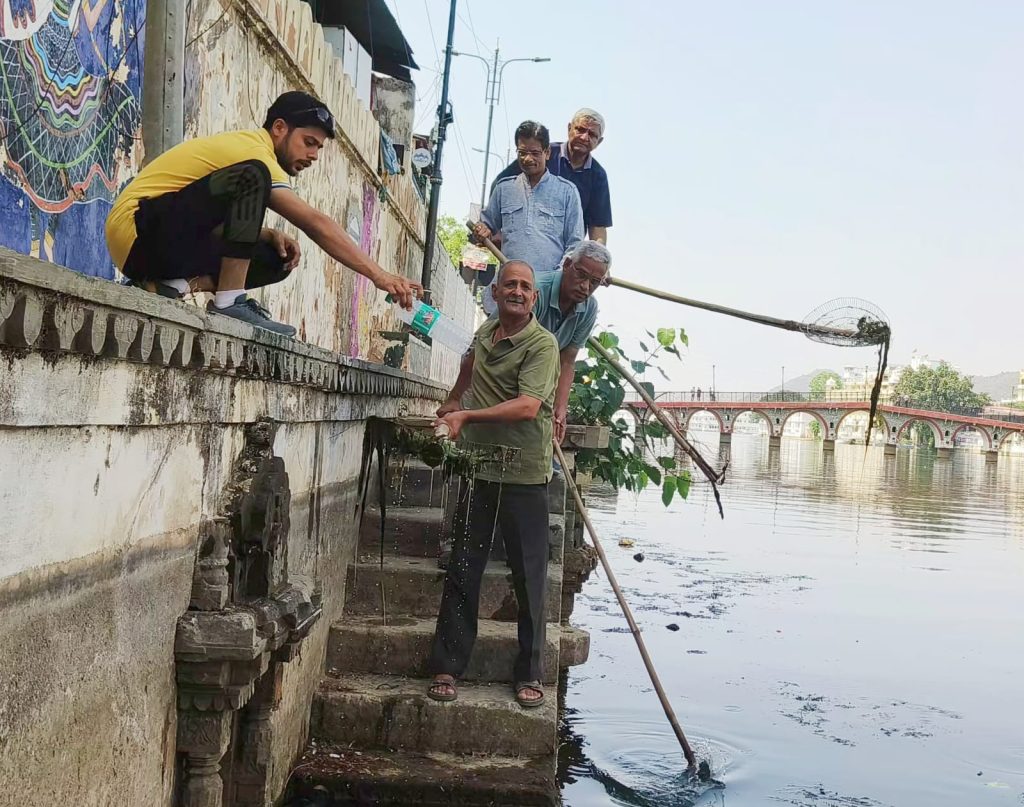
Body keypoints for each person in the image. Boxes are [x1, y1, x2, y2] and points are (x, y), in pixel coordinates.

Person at [105, 91, 419, 337]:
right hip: (135, 231)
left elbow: (199, 216)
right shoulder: (254, 152)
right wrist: (380, 275)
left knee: (276, 255)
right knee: (252, 177)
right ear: (279, 128)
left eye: (319, 149)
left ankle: (171, 286)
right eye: (308, 143)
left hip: (156, 247)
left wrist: (266, 234)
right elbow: (314, 222)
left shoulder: (257, 157)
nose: (313, 156)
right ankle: (229, 302)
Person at [426, 261, 560, 709]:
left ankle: (530, 672)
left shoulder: (542, 344)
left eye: (525, 286)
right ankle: (447, 666)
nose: (517, 292)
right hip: (478, 468)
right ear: (495, 292)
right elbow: (464, 381)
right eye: (510, 285)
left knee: (529, 580)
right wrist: (449, 407)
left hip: (523, 475)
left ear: (534, 299)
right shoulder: (484, 334)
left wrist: (466, 417)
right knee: (463, 569)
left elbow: (526, 407)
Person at [440, 240, 610, 445]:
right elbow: (480, 345)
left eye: (594, 282)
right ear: (566, 265)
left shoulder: (589, 308)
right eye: (581, 275)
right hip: (495, 380)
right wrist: (455, 397)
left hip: (530, 394)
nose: (585, 286)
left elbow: (567, 361)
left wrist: (560, 409)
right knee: (474, 449)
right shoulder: (531, 290)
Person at [474, 121, 583, 315]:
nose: (527, 159)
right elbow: (486, 226)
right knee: (497, 343)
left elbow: (574, 245)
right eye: (522, 152)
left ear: (547, 153)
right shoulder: (503, 189)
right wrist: (481, 230)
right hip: (508, 292)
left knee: (540, 345)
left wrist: (553, 281)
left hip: (545, 295)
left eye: (535, 153)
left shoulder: (567, 192)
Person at [491, 108, 611, 244]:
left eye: (592, 134)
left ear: (599, 141)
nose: (584, 137)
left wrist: (597, 256)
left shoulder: (598, 175)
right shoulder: (541, 153)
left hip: (566, 254)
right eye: (580, 130)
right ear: (569, 128)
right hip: (523, 244)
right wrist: (496, 230)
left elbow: (598, 226)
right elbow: (501, 184)